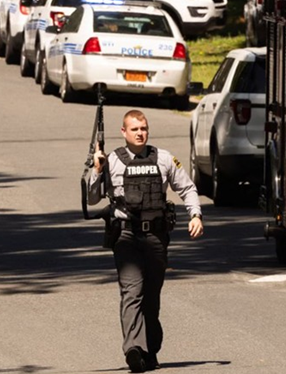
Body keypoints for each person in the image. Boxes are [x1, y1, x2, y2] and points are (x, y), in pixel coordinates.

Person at [86, 110, 203, 373]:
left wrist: (195, 214)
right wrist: (96, 169)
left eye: (144, 128)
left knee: (151, 296)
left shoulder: (163, 158)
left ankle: (150, 349)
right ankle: (133, 350)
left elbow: (187, 188)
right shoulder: (112, 160)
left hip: (156, 236)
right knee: (132, 292)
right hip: (126, 236)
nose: (140, 133)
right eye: (135, 129)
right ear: (124, 132)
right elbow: (93, 199)